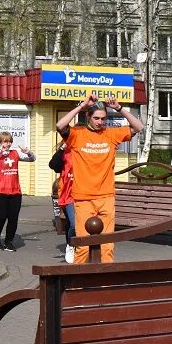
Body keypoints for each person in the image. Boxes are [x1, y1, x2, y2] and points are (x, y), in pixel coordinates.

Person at [55, 94, 143, 263]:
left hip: (106, 197)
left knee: (107, 245)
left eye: (103, 118)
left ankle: (105, 285)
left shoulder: (111, 134)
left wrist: (119, 108)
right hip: (83, 198)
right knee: (83, 245)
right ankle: (77, 285)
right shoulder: (77, 135)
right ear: (88, 117)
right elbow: (60, 125)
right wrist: (82, 106)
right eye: (96, 118)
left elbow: (138, 127)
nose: (100, 122)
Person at [0, 132, 35, 251]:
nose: (8, 144)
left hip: (15, 191)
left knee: (13, 217)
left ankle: (9, 241)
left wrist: (29, 152)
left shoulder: (15, 153)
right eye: (5, 141)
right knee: (1, 216)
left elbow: (32, 159)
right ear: (0, 142)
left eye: (9, 141)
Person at [49, 143, 76, 263]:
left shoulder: (87, 152)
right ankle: (70, 245)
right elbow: (53, 165)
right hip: (68, 195)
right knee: (73, 223)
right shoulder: (66, 153)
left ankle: (81, 248)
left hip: (85, 194)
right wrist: (62, 149)